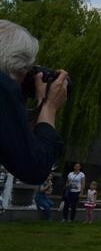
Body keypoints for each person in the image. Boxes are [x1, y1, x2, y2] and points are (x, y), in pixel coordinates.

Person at [0, 20, 68, 184]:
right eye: (26, 69)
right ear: (16, 65)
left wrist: (38, 107)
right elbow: (34, 168)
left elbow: (17, 144)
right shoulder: (4, 87)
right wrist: (49, 107)